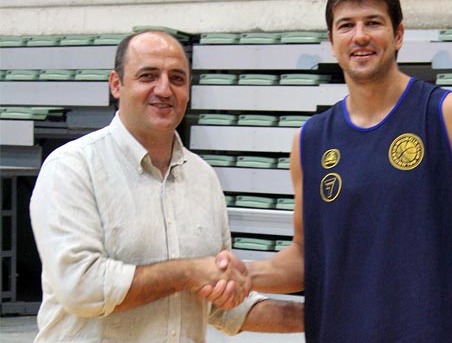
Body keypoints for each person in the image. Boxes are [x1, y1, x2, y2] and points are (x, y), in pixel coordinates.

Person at [206, 0, 452, 343]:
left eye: (373, 22)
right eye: (346, 25)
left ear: (398, 35)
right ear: (332, 42)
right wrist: (247, 273)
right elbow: (305, 256)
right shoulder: (310, 140)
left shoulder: (448, 114)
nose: (359, 35)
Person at [29, 30, 303, 342]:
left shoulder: (203, 178)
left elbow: (222, 305)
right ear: (116, 84)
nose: (164, 89)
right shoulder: (72, 167)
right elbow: (83, 288)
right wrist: (189, 272)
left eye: (177, 78)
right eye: (148, 76)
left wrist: (325, 316)